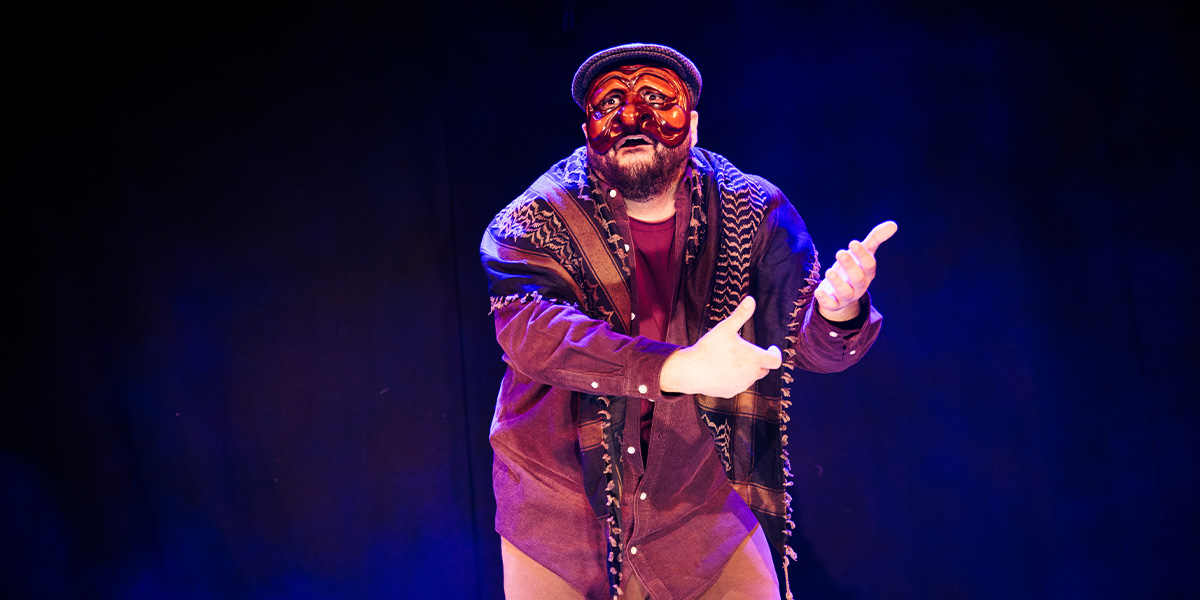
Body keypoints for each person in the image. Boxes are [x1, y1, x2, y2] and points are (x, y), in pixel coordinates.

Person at [480, 42, 896, 600]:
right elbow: (534, 336)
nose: (633, 118)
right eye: (611, 104)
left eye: (655, 98)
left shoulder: (754, 212)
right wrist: (675, 368)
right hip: (559, 493)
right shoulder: (534, 219)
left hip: (698, 492)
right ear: (587, 131)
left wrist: (838, 308)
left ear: (692, 123)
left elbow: (805, 350)